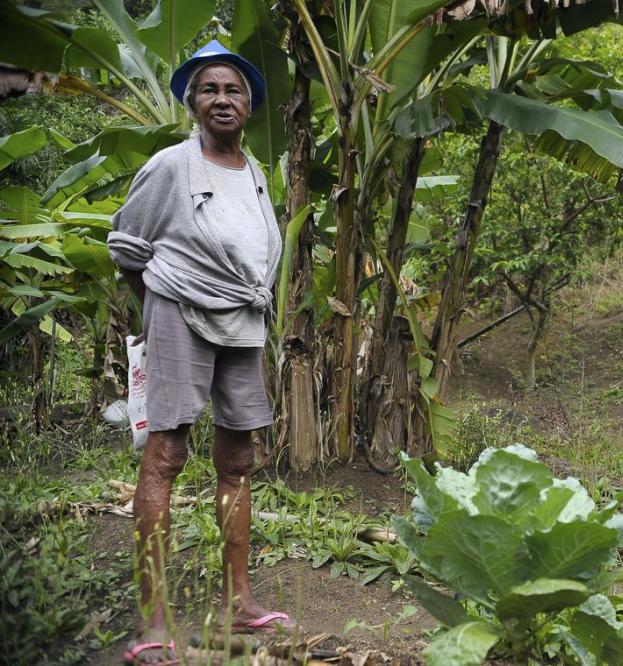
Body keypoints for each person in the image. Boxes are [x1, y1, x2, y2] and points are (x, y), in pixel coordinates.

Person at [108, 40, 294, 665]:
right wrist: (160, 309)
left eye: (233, 90)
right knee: (166, 452)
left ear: (249, 104)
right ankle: (153, 617)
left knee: (238, 457)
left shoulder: (255, 171)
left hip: (243, 319)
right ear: (192, 101)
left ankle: (237, 601)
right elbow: (128, 247)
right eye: (210, 89)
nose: (222, 99)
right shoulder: (169, 166)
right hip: (179, 313)